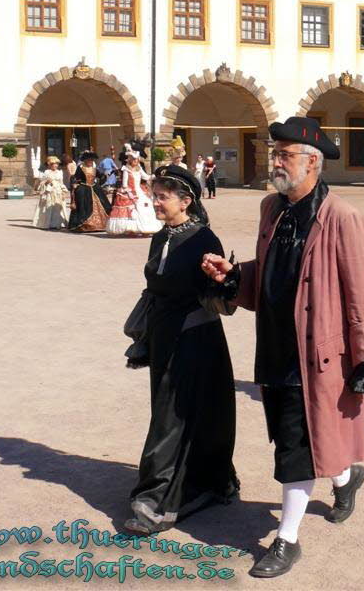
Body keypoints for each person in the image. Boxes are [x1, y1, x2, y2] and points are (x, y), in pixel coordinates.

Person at [201, 116, 364, 578]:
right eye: (275, 153)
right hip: (276, 342)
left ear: (313, 164)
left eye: (285, 155)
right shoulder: (272, 208)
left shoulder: (341, 216)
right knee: (303, 434)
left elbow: (359, 290)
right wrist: (234, 274)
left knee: (295, 442)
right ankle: (347, 478)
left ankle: (286, 539)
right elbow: (270, 267)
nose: (276, 161)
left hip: (317, 348)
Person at [124, 164, 239, 534]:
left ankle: (155, 502)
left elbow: (220, 296)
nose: (154, 202)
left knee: (172, 417)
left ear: (186, 200)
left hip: (193, 339)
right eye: (154, 195)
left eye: (162, 196)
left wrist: (225, 280)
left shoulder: (204, 240)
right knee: (179, 412)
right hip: (163, 336)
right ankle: (207, 481)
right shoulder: (162, 237)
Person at [107, 152, 161, 236]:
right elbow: (124, 184)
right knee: (133, 210)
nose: (136, 161)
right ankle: (131, 230)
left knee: (147, 205)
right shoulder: (126, 169)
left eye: (137, 159)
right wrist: (129, 192)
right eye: (134, 159)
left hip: (139, 191)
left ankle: (145, 229)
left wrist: (156, 175)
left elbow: (146, 177)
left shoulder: (139, 168)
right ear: (130, 160)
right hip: (130, 192)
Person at [68, 151, 112, 232]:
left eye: (92, 160)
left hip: (94, 187)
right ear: (85, 160)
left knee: (103, 203)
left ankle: (101, 224)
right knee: (84, 206)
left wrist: (105, 175)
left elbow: (100, 176)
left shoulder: (94, 169)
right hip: (84, 188)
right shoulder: (81, 168)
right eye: (89, 160)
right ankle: (85, 225)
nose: (91, 162)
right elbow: (75, 177)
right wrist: (74, 183)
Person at [31, 156, 69, 230]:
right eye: (53, 164)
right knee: (49, 207)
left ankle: (57, 223)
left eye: (56, 164)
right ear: (49, 165)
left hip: (58, 191)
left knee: (57, 207)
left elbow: (61, 183)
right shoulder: (46, 172)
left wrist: (64, 191)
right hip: (49, 192)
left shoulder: (59, 172)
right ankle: (49, 223)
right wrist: (46, 182)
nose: (55, 165)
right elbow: (41, 183)